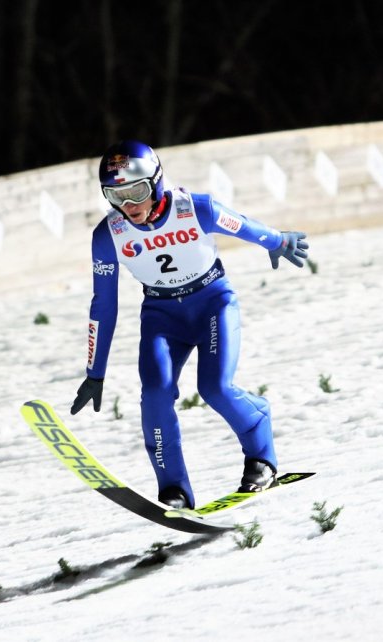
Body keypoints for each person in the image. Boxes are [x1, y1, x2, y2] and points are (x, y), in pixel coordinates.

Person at [70, 140, 308, 510]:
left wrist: (277, 241)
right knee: (155, 395)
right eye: (116, 196)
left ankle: (260, 455)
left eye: (137, 191)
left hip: (212, 303)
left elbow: (243, 226)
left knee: (214, 387)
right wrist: (95, 372)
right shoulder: (108, 236)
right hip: (162, 316)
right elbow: (104, 304)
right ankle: (174, 490)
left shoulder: (196, 208)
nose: (129, 205)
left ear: (157, 182)